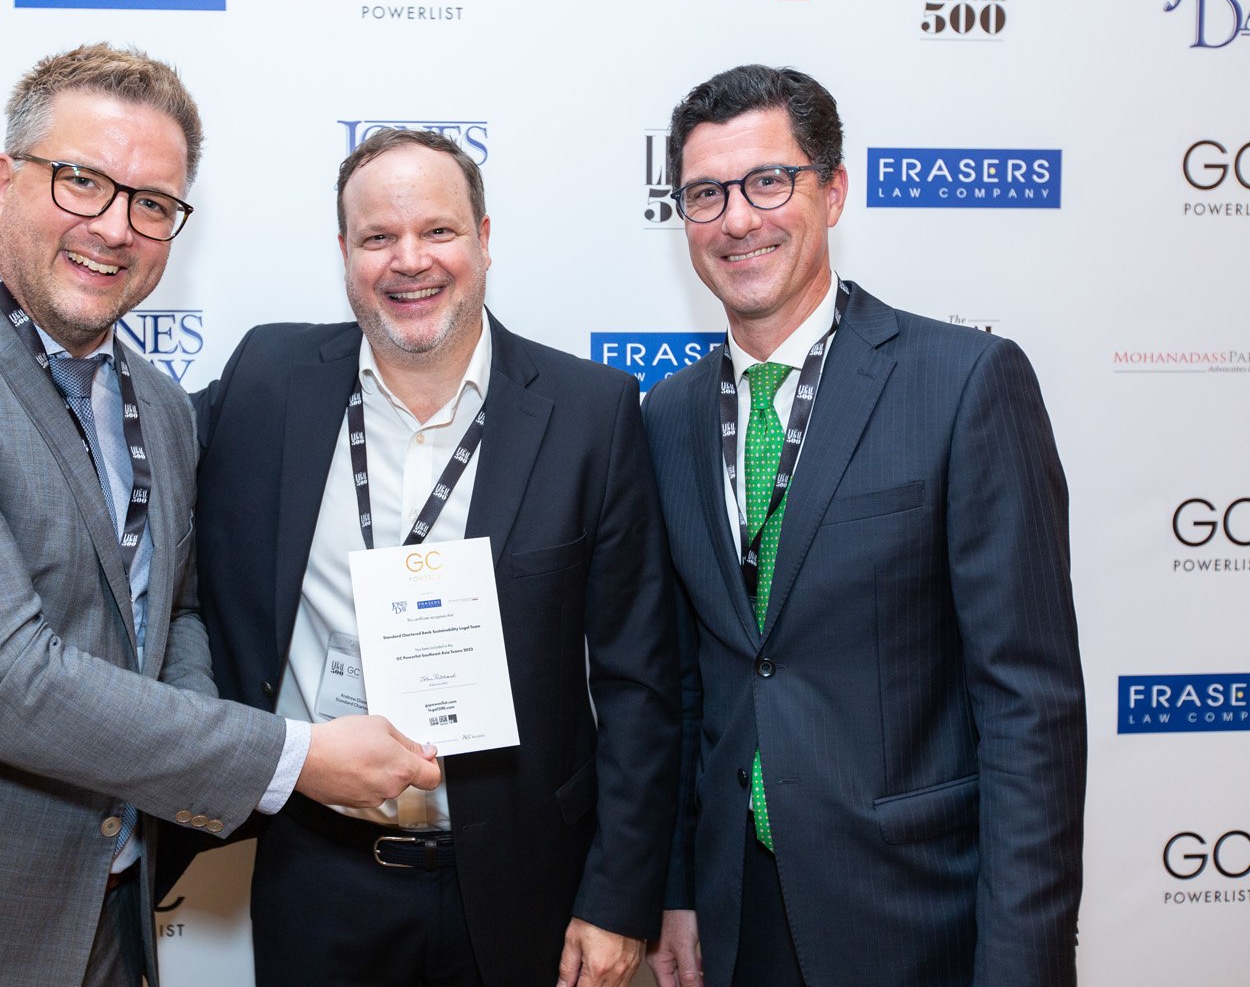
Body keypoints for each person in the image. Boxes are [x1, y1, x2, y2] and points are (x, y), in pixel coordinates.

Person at [0, 44, 440, 987]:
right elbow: (4, 680)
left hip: (99, 921)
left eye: (152, 204)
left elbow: (173, 612)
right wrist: (292, 756)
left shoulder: (160, 403)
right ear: (3, 184)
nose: (113, 226)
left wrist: (202, 730)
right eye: (81, 181)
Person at [190, 128, 678, 987]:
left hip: (527, 882)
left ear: (484, 240)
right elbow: (124, 435)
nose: (409, 260)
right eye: (378, 236)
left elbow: (639, 682)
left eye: (438, 231)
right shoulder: (267, 378)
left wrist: (619, 897)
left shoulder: (590, 412)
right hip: (317, 876)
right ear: (345, 253)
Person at [641, 65, 1086, 987]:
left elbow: (1030, 710)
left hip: (918, 918)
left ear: (833, 191)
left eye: (769, 182)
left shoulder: (965, 383)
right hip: (736, 918)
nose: (737, 219)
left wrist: (1022, 965)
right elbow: (685, 686)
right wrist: (677, 887)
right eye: (706, 194)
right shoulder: (668, 416)